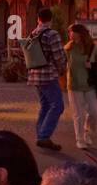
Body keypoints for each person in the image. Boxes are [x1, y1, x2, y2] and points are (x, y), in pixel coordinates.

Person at [25, 8, 67, 151]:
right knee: (58, 105)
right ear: (51, 19)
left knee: (46, 105)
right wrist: (62, 69)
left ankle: (41, 135)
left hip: (35, 75)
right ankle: (44, 136)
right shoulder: (52, 34)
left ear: (38, 19)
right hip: (48, 75)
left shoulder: (33, 33)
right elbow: (58, 55)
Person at [64, 23, 97, 150]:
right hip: (74, 84)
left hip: (91, 85)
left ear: (79, 33)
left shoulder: (93, 48)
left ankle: (86, 132)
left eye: (71, 31)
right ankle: (80, 139)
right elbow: (62, 63)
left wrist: (92, 65)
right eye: (69, 32)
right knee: (78, 114)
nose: (70, 34)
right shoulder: (68, 48)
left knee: (94, 111)